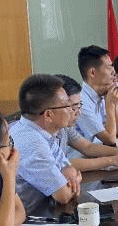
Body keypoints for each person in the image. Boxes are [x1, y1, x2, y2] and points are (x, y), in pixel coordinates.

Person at [10, 73, 83, 212]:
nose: (72, 110)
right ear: (48, 115)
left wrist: (70, 173)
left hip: (44, 208)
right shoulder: (32, 143)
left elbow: (67, 166)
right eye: (67, 105)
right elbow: (63, 196)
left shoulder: (41, 131)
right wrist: (76, 180)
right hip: (28, 218)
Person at [55, 74, 118, 171]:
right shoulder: (44, 134)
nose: (78, 112)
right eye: (73, 107)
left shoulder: (65, 128)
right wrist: (113, 160)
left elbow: (88, 147)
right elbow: (63, 164)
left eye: (78, 106)